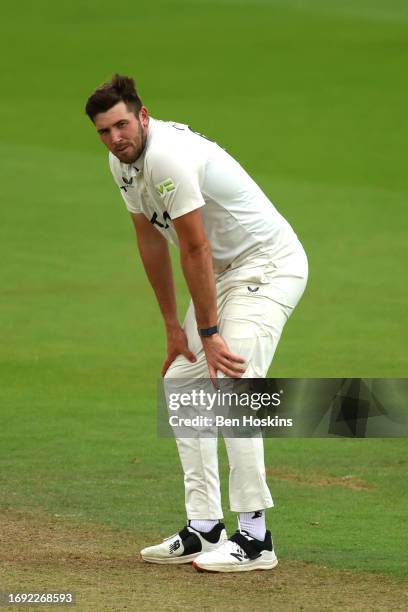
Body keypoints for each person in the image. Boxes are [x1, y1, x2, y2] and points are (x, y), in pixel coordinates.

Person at [85, 74, 308, 573]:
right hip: (225, 272)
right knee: (181, 381)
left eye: (122, 124)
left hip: (267, 264)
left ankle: (255, 537)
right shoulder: (122, 164)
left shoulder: (167, 156)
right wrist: (171, 326)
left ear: (143, 116)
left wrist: (208, 333)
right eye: (104, 131)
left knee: (230, 381)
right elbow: (149, 241)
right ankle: (205, 527)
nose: (115, 138)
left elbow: (195, 246)